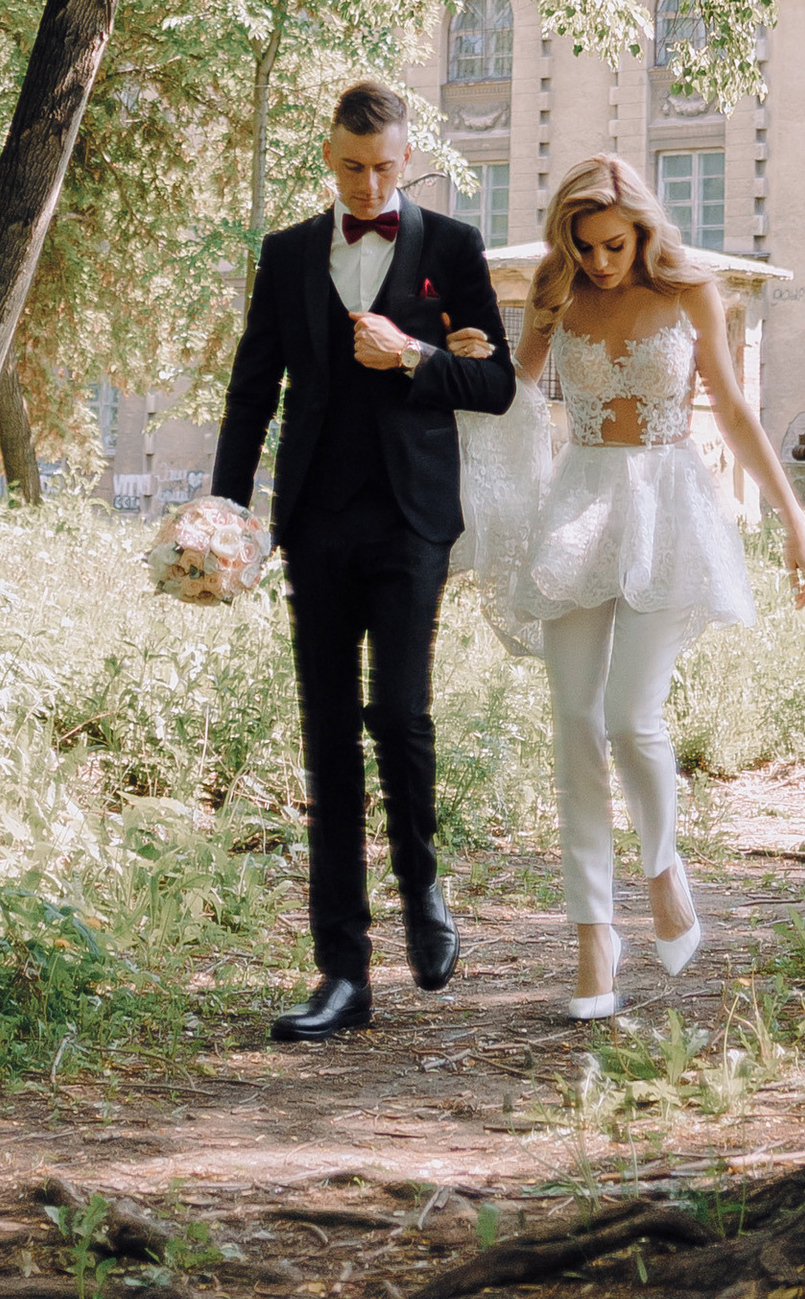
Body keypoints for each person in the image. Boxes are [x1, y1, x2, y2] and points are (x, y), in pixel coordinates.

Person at [452, 154, 805, 1020]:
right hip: (579, 506)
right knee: (575, 721)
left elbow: (731, 410)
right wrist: (468, 359)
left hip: (668, 511)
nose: (601, 263)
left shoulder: (693, 295)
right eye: (584, 248)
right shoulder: (558, 295)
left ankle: (661, 871)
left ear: (643, 231)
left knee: (630, 717)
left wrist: (794, 521)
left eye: (614, 245)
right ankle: (592, 937)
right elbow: (517, 396)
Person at [212, 78, 517, 1043]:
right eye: (351, 168)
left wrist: (415, 358)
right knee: (327, 739)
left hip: (413, 519)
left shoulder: (454, 250)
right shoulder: (289, 255)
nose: (368, 185)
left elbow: (499, 384)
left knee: (398, 710)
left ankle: (422, 885)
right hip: (315, 523)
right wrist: (227, 516)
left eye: (384, 167)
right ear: (329, 157)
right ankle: (343, 972)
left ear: (408, 153)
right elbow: (251, 392)